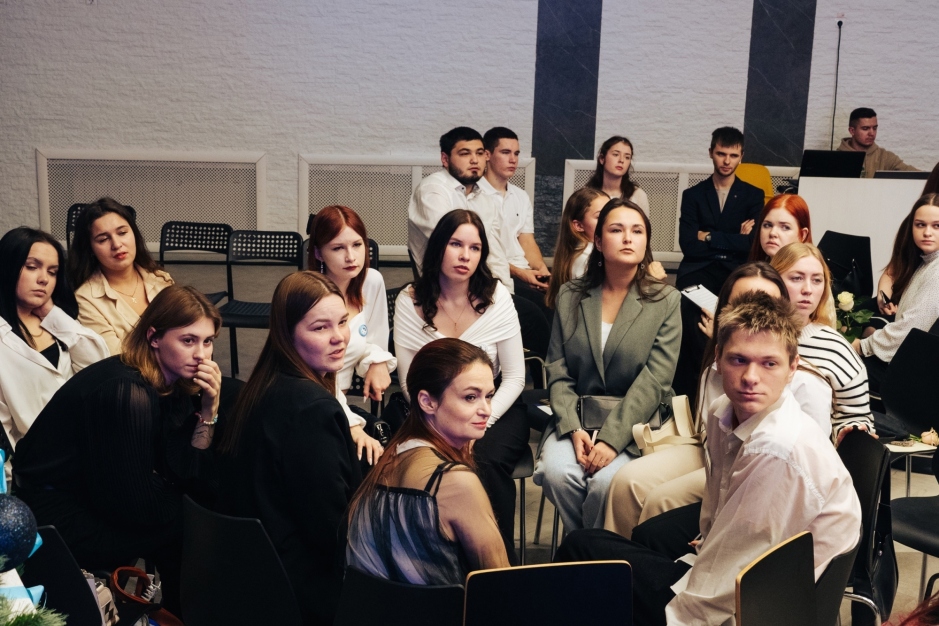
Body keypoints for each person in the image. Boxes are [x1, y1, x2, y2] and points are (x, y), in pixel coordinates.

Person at [556, 291, 862, 626]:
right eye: (738, 360)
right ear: (717, 357)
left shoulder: (775, 448)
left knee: (582, 551)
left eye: (769, 363)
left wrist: (676, 616)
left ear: (793, 367)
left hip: (764, 605)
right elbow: (722, 514)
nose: (751, 377)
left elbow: (730, 579)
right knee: (612, 543)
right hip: (748, 576)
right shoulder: (722, 412)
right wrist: (706, 541)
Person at [13, 285, 224, 616]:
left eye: (207, 341)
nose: (201, 354)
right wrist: (182, 496)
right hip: (55, 513)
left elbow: (186, 467)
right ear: (154, 337)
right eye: (188, 340)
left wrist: (209, 410)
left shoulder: (174, 380)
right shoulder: (128, 392)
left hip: (95, 493)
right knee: (188, 525)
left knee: (196, 513)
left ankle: (174, 612)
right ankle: (173, 614)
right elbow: (136, 503)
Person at [603, 262, 833, 539]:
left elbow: (805, 460)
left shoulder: (801, 378)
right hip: (711, 449)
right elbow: (709, 426)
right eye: (742, 304)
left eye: (764, 304)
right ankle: (615, 555)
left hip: (753, 464)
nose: (752, 314)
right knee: (626, 481)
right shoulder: (720, 358)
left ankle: (648, 558)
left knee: (660, 500)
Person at [216, 271, 363, 626]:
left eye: (343, 322)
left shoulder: (262, 384)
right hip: (304, 589)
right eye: (320, 328)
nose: (339, 337)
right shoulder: (312, 409)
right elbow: (332, 530)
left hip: (255, 573)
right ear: (287, 332)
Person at [533, 197, 681, 531]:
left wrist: (612, 439)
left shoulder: (666, 300)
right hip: (578, 417)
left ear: (646, 242)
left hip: (637, 423)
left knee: (605, 484)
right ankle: (593, 549)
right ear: (598, 242)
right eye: (617, 230)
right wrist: (573, 428)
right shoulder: (570, 295)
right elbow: (557, 369)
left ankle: (585, 552)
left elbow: (656, 380)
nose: (628, 238)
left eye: (637, 231)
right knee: (558, 474)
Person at [394, 209, 528, 563]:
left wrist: (478, 420)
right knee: (413, 460)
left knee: (485, 461)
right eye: (456, 244)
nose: (465, 255)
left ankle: (500, 568)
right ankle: (430, 563)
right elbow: (408, 381)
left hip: (494, 405)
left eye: (475, 247)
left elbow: (515, 377)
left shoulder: (497, 297)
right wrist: (446, 421)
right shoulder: (410, 300)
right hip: (432, 409)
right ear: (439, 247)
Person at [346, 338, 510, 584]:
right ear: (427, 401)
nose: (486, 409)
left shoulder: (391, 455)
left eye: (489, 396)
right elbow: (501, 583)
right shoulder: (455, 482)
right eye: (470, 397)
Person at [673, 126, 765, 402]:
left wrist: (709, 236)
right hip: (697, 271)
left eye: (733, 155)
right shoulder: (693, 195)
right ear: (711, 153)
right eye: (721, 154)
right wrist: (734, 238)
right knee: (693, 326)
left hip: (734, 273)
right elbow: (688, 244)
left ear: (741, 156)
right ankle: (690, 395)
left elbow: (752, 244)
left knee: (733, 322)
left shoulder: (752, 194)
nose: (727, 161)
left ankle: (725, 392)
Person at [0, 228, 108, 456]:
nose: (44, 279)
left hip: (85, 449)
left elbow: (99, 369)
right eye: (32, 267)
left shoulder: (58, 322)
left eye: (53, 272)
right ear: (7, 266)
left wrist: (51, 313)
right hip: (34, 463)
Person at [309, 205, 394, 464]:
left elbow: (375, 340)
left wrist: (378, 360)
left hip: (341, 405)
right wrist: (353, 426)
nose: (351, 257)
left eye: (357, 245)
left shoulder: (372, 281)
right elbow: (314, 377)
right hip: (313, 403)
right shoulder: (309, 295)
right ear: (318, 253)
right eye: (338, 248)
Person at [771, 243, 875, 439]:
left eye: (817, 280)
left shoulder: (836, 349)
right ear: (773, 281)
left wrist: (849, 432)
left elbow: (857, 416)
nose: (808, 289)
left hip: (813, 451)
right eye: (796, 278)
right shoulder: (752, 337)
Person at [853, 194, 939, 398]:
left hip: (913, 377)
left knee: (837, 364)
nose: (927, 232)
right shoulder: (927, 262)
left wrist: (861, 346)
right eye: (920, 225)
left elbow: (910, 332)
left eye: (937, 226)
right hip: (912, 362)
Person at [408, 127, 511, 290]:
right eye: (465, 154)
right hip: (442, 290)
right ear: (445, 159)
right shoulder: (433, 190)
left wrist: (505, 291)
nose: (475, 160)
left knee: (537, 301)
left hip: (481, 285)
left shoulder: (485, 197)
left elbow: (495, 255)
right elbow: (450, 247)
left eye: (479, 153)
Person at [69, 197, 173, 354]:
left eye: (122, 233)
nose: (117, 244)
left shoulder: (160, 279)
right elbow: (118, 358)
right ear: (90, 249)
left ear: (134, 234)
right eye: (103, 239)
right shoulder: (85, 299)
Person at [479, 127, 553, 321]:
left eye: (516, 153)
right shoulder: (475, 195)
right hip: (495, 274)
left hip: (524, 271)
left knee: (566, 297)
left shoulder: (520, 196)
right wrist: (522, 274)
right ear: (487, 155)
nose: (513, 160)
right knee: (542, 310)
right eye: (505, 152)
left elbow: (527, 240)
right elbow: (487, 256)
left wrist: (541, 269)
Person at [545, 187, 609, 309]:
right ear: (579, 225)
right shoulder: (588, 258)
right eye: (600, 217)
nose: (609, 221)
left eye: (610, 214)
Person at [837, 107, 918, 178]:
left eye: (874, 128)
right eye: (865, 128)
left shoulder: (886, 157)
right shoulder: (837, 159)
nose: (872, 133)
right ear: (852, 131)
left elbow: (918, 176)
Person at [584, 136, 650, 214]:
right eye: (616, 154)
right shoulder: (586, 194)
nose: (621, 160)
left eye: (627, 157)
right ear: (602, 158)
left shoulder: (638, 195)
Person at [748, 193, 812, 262]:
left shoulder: (808, 268)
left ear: (802, 235)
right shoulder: (753, 266)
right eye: (767, 225)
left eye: (785, 227)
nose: (772, 233)